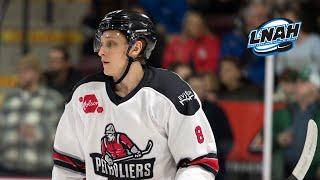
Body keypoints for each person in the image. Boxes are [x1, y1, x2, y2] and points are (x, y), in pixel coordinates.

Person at [52, 10, 219, 179]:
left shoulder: (172, 92)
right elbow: (67, 167)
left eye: (111, 44)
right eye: (101, 43)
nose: (101, 51)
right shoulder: (84, 94)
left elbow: (199, 163)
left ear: (136, 48)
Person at [0, 54, 64, 176]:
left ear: (37, 73)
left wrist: (39, 132)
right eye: (20, 70)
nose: (21, 74)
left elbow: (64, 136)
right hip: (8, 169)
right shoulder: (10, 98)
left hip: (41, 170)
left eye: (26, 70)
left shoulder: (53, 99)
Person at [272, 67, 320, 180]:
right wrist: (277, 139)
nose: (297, 85)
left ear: (314, 87)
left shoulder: (317, 114)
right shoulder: (283, 112)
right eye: (297, 82)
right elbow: (264, 138)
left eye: (303, 82)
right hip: (285, 172)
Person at [187, 74, 233, 180]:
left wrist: (214, 153)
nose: (196, 91)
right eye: (193, 87)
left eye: (199, 87)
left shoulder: (216, 111)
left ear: (205, 90)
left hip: (213, 165)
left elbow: (228, 139)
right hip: (186, 164)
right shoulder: (177, 110)